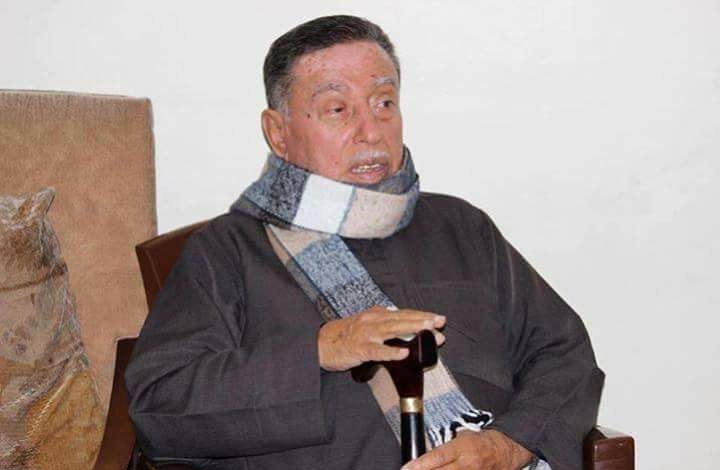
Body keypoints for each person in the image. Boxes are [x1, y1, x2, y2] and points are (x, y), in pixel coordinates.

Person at [125, 15, 604, 470]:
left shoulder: (460, 227)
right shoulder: (228, 250)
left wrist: (509, 444)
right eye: (338, 109)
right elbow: (159, 407)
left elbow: (564, 356)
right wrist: (321, 349)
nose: (371, 131)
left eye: (384, 103)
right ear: (278, 133)